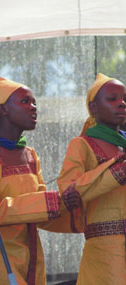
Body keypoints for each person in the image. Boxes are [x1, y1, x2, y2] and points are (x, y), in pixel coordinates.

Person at [0, 75, 62, 285]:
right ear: (3, 110)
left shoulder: (30, 154)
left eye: (34, 103)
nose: (33, 107)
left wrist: (70, 202)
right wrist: (48, 203)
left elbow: (43, 209)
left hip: (32, 254)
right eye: (25, 101)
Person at [57, 73, 126, 284]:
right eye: (112, 99)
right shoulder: (82, 144)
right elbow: (69, 191)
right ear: (94, 108)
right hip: (106, 251)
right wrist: (117, 172)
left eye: (124, 98)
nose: (122, 103)